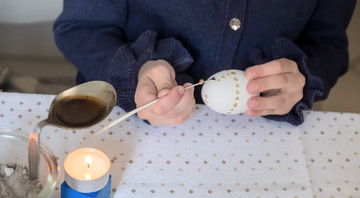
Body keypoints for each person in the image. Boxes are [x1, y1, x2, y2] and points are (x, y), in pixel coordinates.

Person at [53, 0, 356, 126]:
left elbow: (329, 45)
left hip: (262, 142)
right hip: (128, 125)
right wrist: (134, 73)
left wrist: (303, 76)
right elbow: (81, 28)